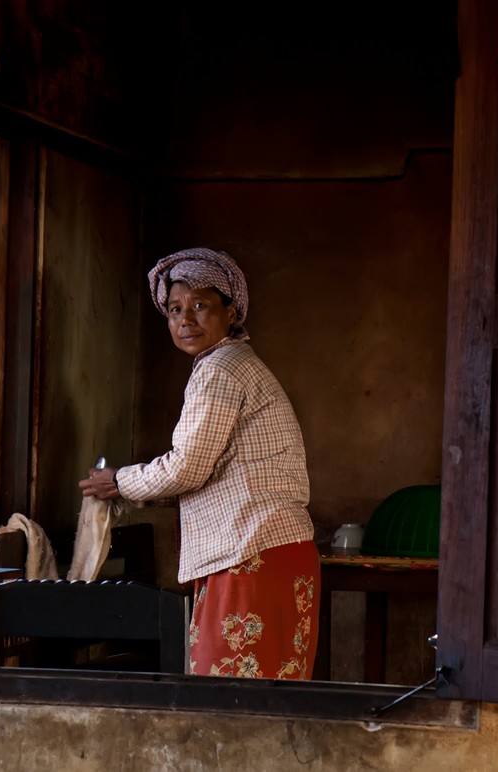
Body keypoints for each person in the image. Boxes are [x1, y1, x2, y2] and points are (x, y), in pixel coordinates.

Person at [78, 247, 319, 679]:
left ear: (231, 313)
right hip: (278, 554)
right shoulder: (239, 364)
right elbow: (209, 473)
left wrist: (119, 481)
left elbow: (188, 467)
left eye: (201, 305)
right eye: (174, 309)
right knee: (274, 706)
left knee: (224, 707)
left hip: (249, 557)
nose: (185, 319)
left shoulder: (220, 368)